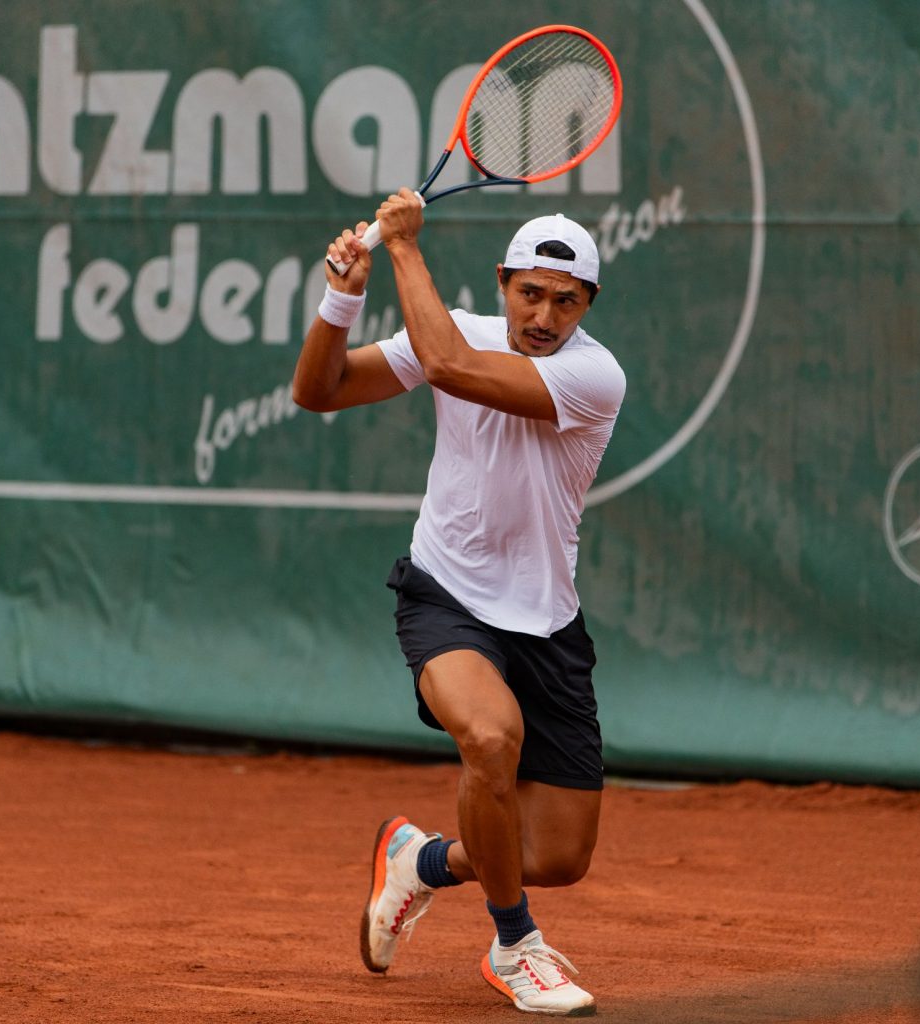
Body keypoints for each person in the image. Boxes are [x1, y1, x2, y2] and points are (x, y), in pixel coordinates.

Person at [291, 188, 625, 1017]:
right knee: (488, 735)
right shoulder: (460, 330)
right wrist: (342, 295)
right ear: (503, 282)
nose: (545, 314)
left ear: (586, 306)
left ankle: (422, 861)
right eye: (530, 292)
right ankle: (517, 946)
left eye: (566, 299)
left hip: (547, 621)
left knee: (555, 854)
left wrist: (403, 249)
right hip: (446, 595)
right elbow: (320, 390)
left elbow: (448, 367)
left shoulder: (594, 374)